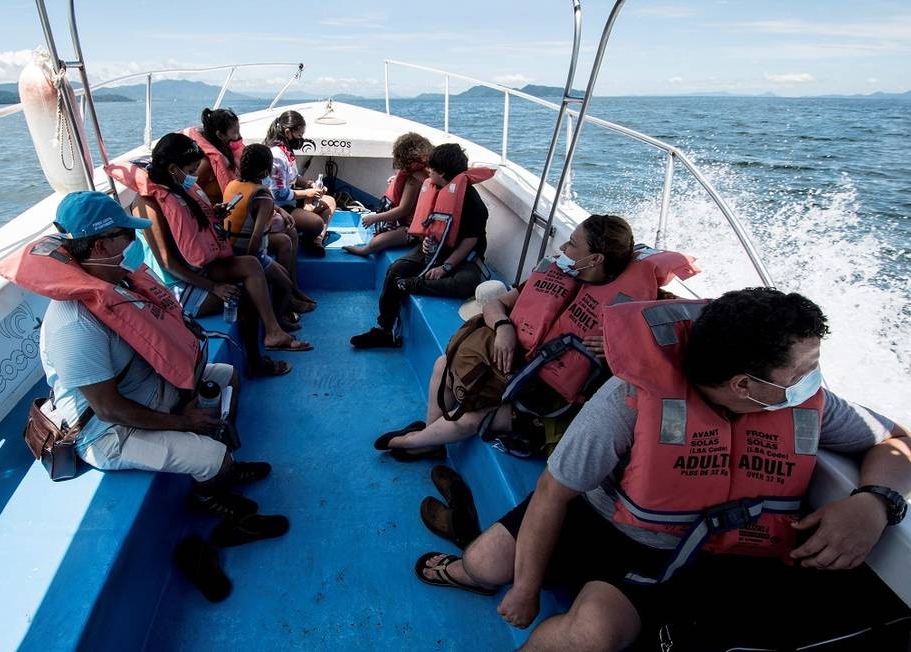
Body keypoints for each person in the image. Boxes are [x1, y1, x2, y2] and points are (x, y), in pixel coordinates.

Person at [414, 288, 911, 651]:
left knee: (592, 636)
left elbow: (897, 441)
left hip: (672, 557)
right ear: (745, 384)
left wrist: (873, 502)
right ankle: (468, 573)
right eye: (802, 373)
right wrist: (523, 589)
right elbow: (551, 493)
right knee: (486, 565)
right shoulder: (628, 400)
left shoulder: (810, 407)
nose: (813, 382)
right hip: (591, 516)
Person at [0, 191, 290, 545]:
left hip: (145, 390)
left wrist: (184, 397)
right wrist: (185, 422)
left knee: (226, 376)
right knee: (211, 457)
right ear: (102, 245)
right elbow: (108, 407)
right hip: (108, 431)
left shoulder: (118, 284)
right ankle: (216, 499)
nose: (134, 241)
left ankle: (224, 463)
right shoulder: (74, 324)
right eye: (126, 234)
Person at [376, 215, 699, 460]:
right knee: (442, 364)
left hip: (543, 395)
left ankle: (412, 443)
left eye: (572, 244)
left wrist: (623, 347)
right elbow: (496, 304)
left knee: (473, 418)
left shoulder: (638, 305)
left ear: (596, 259)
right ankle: (431, 435)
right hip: (509, 362)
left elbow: (675, 350)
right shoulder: (559, 272)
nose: (563, 248)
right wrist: (503, 327)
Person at [107, 132, 312, 364]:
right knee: (243, 296)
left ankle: (273, 332)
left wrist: (213, 214)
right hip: (177, 283)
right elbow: (167, 263)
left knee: (252, 264)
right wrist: (214, 287)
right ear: (174, 169)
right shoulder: (148, 204)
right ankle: (256, 361)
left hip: (197, 267)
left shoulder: (178, 188)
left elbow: (187, 227)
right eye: (192, 170)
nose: (195, 176)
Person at [350, 143, 492, 349]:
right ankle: (384, 330)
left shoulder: (472, 202)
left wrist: (446, 267)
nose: (428, 172)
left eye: (431, 169)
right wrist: (426, 241)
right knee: (396, 269)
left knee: (466, 283)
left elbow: (471, 240)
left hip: (462, 257)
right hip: (433, 249)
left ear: (441, 172)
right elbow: (429, 224)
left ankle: (410, 284)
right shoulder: (434, 189)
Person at [224, 143, 317, 329]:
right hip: (247, 255)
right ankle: (280, 318)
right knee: (284, 282)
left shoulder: (232, 185)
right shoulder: (263, 197)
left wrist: (280, 210)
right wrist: (250, 266)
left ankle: (287, 304)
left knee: (284, 269)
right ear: (265, 170)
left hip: (229, 248)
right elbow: (256, 237)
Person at [343, 132, 432, 257]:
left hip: (411, 229)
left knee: (377, 242)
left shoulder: (414, 180)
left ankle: (365, 251)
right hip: (409, 223)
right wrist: (396, 179)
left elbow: (403, 210)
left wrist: (374, 218)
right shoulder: (421, 174)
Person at [264, 110, 336, 253]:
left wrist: (311, 185)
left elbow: (295, 177)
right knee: (317, 224)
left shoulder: (287, 151)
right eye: (299, 135)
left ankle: (316, 241)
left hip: (291, 201)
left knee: (330, 202)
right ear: (287, 132)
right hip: (280, 207)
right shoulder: (277, 156)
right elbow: (278, 194)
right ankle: (308, 232)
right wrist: (307, 193)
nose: (301, 139)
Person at [189, 107, 243, 205]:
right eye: (235, 132)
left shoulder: (227, 151)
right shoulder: (206, 163)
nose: (239, 136)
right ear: (220, 135)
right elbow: (191, 194)